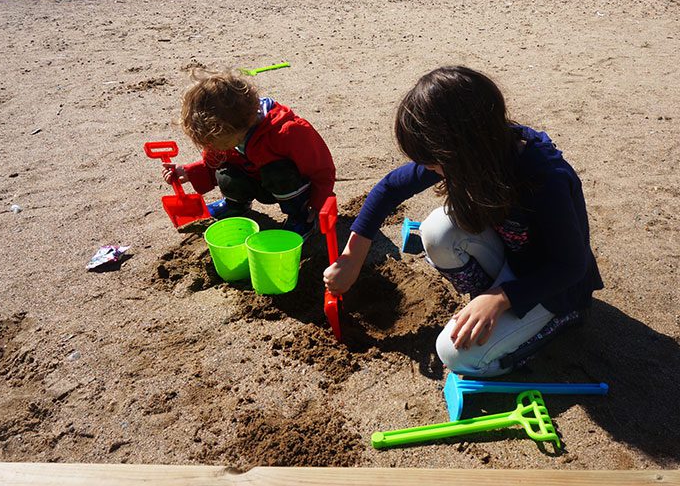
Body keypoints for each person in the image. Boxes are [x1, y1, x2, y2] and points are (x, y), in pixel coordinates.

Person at [323, 66, 602, 377]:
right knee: (436, 231)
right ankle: (489, 302)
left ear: (461, 149)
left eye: (432, 162)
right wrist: (352, 257)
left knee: (454, 355)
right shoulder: (474, 154)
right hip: (513, 259)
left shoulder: (544, 179)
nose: (428, 169)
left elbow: (571, 267)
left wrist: (500, 299)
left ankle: (558, 321)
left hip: (556, 288)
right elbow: (390, 187)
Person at [162, 70, 335, 237]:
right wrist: (190, 171)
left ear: (242, 127)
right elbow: (217, 161)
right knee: (226, 174)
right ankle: (235, 205)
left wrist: (319, 203)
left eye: (216, 143)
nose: (213, 147)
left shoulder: (288, 132)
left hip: (290, 185)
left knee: (277, 172)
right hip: (257, 180)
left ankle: (300, 217)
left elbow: (322, 170)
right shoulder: (231, 132)